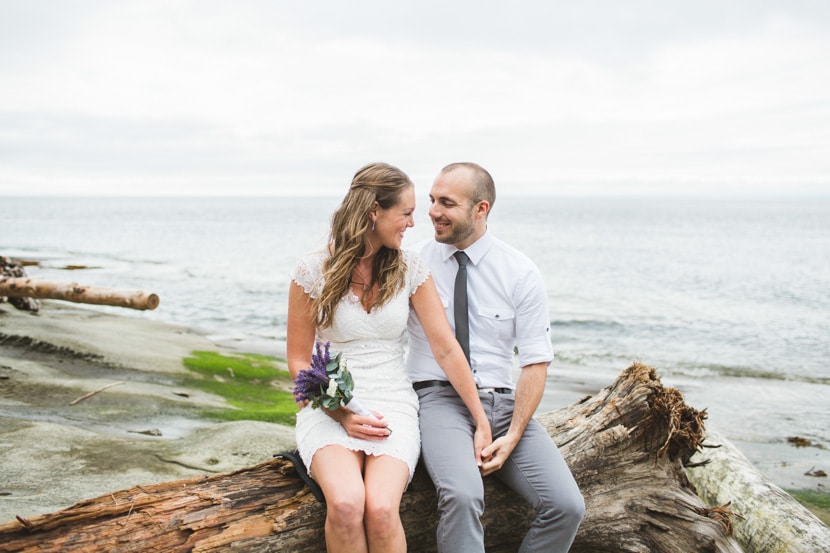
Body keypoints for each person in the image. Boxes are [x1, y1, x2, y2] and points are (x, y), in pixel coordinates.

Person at [287, 162, 491, 553]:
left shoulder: (410, 269)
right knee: (346, 504)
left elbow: (446, 347)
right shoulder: (312, 270)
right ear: (373, 212)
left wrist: (480, 421)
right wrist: (340, 412)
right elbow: (298, 360)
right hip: (329, 407)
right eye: (407, 213)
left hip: (392, 404)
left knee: (381, 509)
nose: (414, 223)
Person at [406, 162, 585, 552]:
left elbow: (535, 362)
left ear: (481, 209)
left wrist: (514, 434)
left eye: (446, 203)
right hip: (439, 398)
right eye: (432, 200)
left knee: (567, 505)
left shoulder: (520, 272)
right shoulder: (412, 262)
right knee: (465, 495)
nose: (432, 211)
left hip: (502, 404)